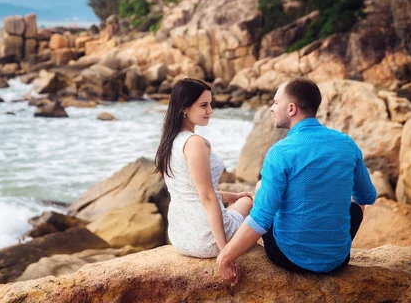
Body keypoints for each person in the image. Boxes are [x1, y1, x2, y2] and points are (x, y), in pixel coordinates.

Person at [217, 78, 377, 286]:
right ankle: (329, 243)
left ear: (291, 108)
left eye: (275, 102)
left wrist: (225, 258)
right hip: (338, 260)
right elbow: (367, 196)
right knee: (356, 201)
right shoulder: (346, 143)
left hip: (289, 259)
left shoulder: (281, 151)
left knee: (261, 190)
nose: (272, 108)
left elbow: (261, 219)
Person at [155, 78, 254, 260]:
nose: (210, 111)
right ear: (185, 108)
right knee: (250, 202)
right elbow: (207, 197)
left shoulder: (168, 143)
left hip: (180, 236)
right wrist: (226, 252)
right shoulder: (194, 143)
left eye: (210, 104)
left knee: (242, 199)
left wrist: (231, 196)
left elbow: (190, 189)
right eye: (203, 105)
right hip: (205, 238)